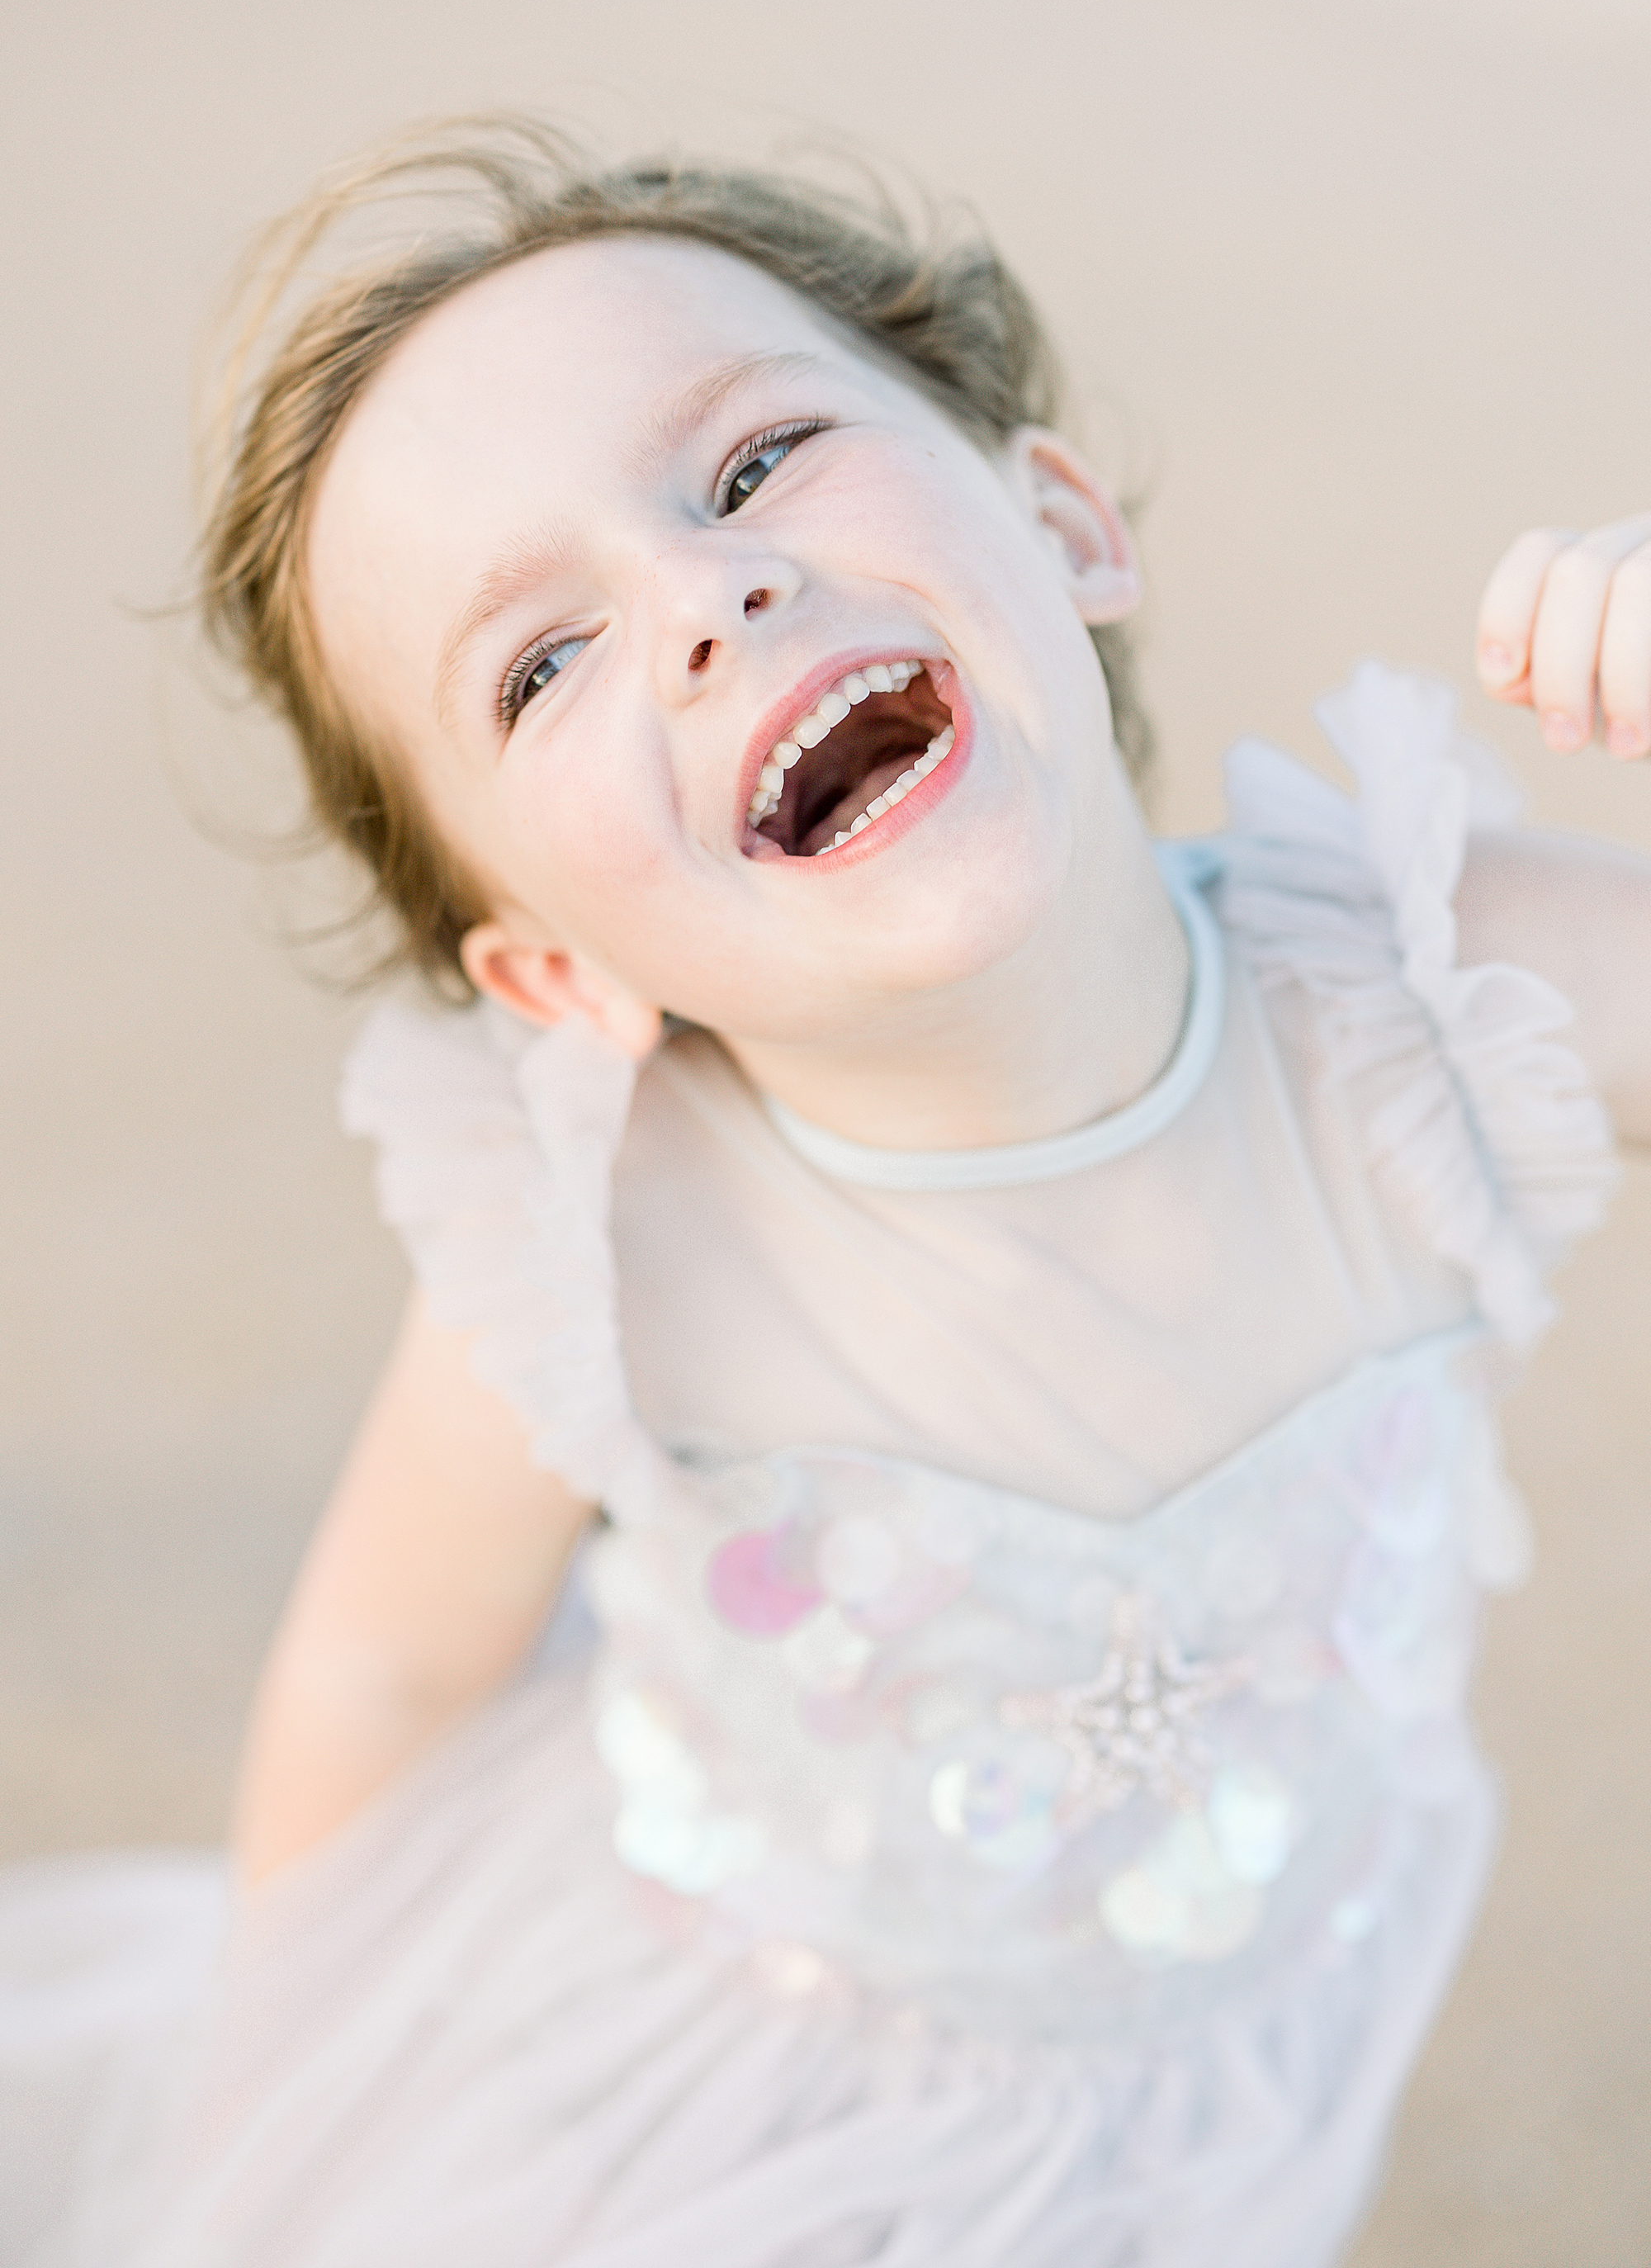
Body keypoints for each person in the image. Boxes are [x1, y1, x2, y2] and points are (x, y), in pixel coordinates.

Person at [3, 118, 1648, 2268]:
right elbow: (391, 1669)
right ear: (552, 975)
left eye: (757, 465)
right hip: (693, 2120)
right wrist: (275, 2109)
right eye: (540, 661)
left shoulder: (1436, 1003)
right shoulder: (608, 1226)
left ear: (1057, 522)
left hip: (1231, 2062)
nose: (703, 596)